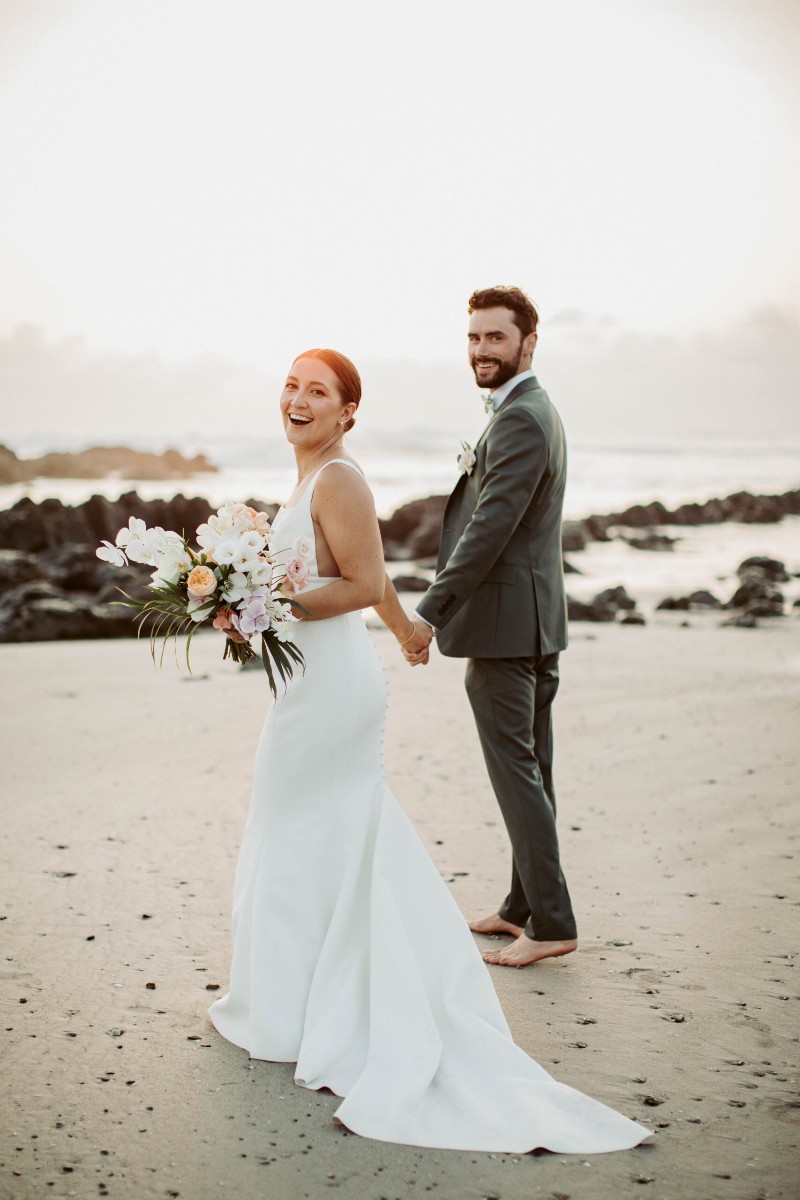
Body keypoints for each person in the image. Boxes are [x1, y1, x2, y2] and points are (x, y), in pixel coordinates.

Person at [208, 347, 648, 1154]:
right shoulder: (310, 482)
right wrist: (405, 627)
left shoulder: (339, 477)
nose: (298, 400)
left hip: (333, 691)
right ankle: (298, 998)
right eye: (291, 386)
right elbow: (365, 584)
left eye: (319, 392)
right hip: (313, 684)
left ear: (347, 413)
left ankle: (314, 1005)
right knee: (310, 835)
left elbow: (357, 580)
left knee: (307, 829)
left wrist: (263, 602)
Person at [405, 286, 577, 970]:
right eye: (474, 338)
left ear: (528, 343)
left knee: (517, 774)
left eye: (495, 338)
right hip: (533, 622)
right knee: (531, 770)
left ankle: (555, 920)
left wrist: (427, 613)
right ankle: (523, 906)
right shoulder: (529, 412)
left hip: (509, 629)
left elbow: (488, 531)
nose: (481, 350)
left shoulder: (522, 420)